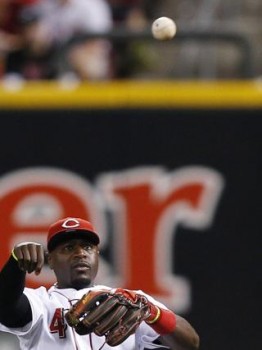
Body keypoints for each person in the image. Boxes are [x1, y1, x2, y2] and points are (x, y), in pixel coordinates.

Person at [0, 217, 200, 350]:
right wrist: (14, 265)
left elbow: (190, 344)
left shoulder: (129, 301)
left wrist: (153, 313)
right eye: (68, 248)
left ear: (96, 255)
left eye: (87, 247)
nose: (80, 253)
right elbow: (6, 307)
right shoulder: (40, 302)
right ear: (50, 260)